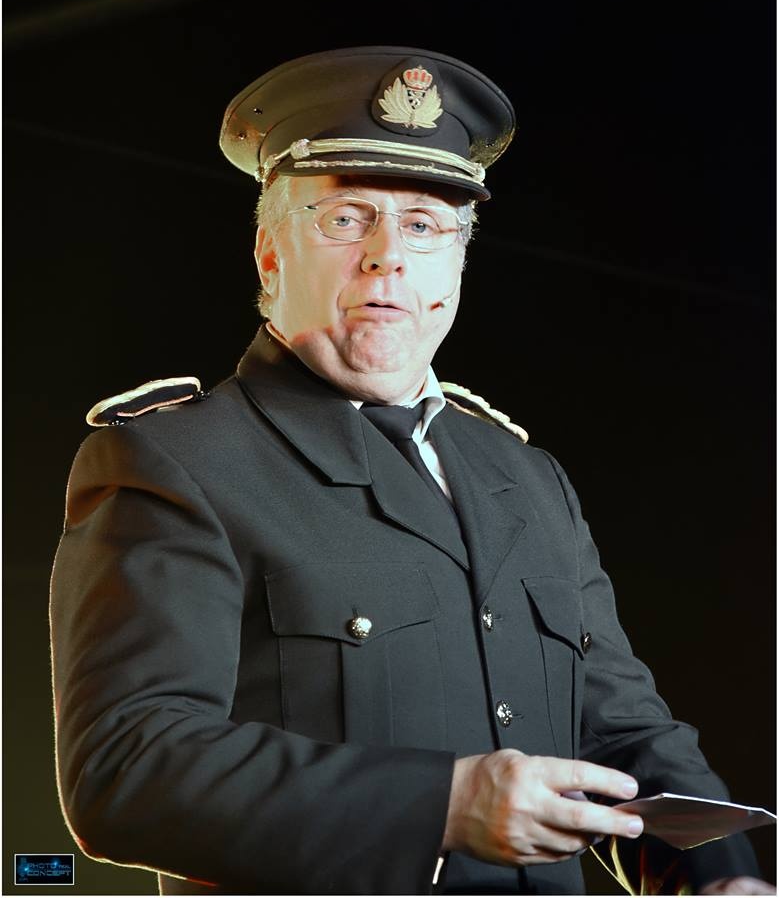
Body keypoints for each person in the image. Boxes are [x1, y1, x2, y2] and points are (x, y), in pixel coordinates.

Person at [49, 47, 773, 896]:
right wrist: (443, 805)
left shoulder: (526, 475)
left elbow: (619, 730)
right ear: (270, 256)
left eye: (424, 226)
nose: (386, 256)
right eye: (345, 218)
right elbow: (125, 768)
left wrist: (716, 878)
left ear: (455, 265)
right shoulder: (177, 460)